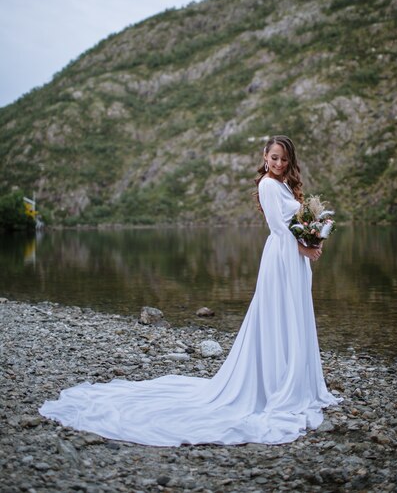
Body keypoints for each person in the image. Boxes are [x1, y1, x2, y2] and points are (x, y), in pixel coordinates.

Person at [39, 135, 341, 446]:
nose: (278, 163)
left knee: (292, 314)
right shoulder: (267, 184)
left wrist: (313, 235)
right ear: (265, 156)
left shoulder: (284, 185)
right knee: (279, 314)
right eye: (274, 157)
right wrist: (304, 249)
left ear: (290, 162)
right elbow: (278, 227)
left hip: (292, 257)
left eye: (284, 159)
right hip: (282, 256)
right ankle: (278, 384)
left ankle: (294, 380)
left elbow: (295, 221)